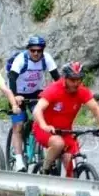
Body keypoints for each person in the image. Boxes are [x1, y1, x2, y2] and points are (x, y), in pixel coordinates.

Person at [31, 62, 99, 173]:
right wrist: (44, 126)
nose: (76, 83)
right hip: (44, 129)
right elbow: (37, 110)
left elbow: (96, 109)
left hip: (66, 132)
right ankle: (45, 169)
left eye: (79, 80)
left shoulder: (82, 91)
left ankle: (70, 186)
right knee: (58, 143)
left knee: (72, 161)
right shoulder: (54, 90)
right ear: (65, 78)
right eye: (73, 80)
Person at [7, 35, 59, 169]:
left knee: (42, 120)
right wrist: (16, 96)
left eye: (39, 50)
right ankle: (18, 160)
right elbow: (12, 77)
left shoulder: (46, 58)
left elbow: (57, 79)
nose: (36, 53)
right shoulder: (21, 59)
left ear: (43, 50)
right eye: (33, 50)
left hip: (35, 93)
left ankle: (43, 150)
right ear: (28, 50)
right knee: (18, 125)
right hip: (18, 93)